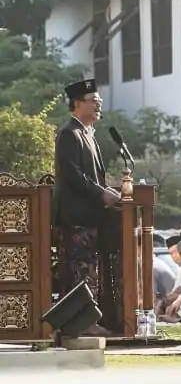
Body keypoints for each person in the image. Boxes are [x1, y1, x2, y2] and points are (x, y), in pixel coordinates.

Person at [51, 78, 122, 334]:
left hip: (91, 218)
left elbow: (93, 177)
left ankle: (84, 323)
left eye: (99, 102)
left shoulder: (88, 134)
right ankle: (81, 325)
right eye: (94, 101)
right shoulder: (69, 133)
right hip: (75, 218)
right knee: (78, 271)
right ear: (77, 103)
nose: (98, 106)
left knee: (88, 270)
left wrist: (109, 190)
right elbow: (73, 175)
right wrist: (101, 194)